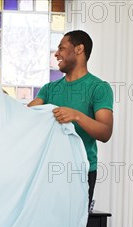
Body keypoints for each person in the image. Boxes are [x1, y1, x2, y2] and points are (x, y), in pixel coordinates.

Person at [28, 30, 114, 208]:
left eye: (62, 48)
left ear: (79, 49)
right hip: (48, 171)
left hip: (81, 172)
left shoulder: (99, 88)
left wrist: (76, 116)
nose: (56, 53)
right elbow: (26, 117)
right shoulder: (49, 89)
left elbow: (105, 132)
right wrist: (4, 103)